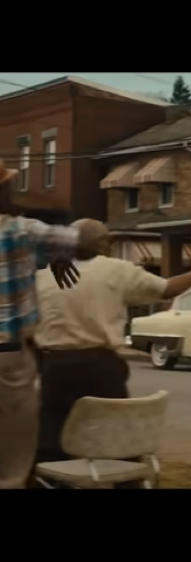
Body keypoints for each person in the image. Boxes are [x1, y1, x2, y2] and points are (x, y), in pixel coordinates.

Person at [33, 219, 191, 466]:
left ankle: (53, 476)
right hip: (101, 365)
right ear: (102, 244)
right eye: (107, 240)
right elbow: (166, 289)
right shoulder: (116, 270)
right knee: (118, 432)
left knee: (50, 433)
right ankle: (124, 477)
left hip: (55, 365)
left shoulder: (45, 276)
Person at [0, 160, 101, 489]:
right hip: (9, 357)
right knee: (13, 463)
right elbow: (87, 243)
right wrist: (59, 243)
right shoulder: (19, 230)